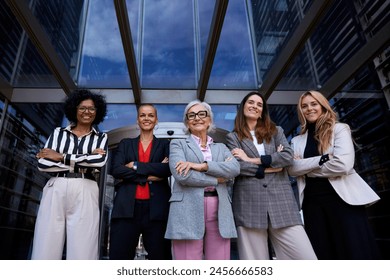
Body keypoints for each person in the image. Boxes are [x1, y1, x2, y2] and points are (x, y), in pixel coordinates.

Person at [287, 90, 381, 259]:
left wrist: (307, 170)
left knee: (354, 251)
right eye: (304, 106)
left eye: (313, 104)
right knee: (323, 253)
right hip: (312, 204)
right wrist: (323, 159)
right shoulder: (296, 141)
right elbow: (293, 169)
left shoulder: (339, 129)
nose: (309, 108)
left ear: (322, 106)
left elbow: (343, 165)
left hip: (342, 200)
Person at [225, 91, 317, 260]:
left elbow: (287, 157)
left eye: (259, 105)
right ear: (243, 106)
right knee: (255, 262)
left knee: (305, 258)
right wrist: (273, 167)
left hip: (281, 200)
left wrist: (250, 159)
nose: (255, 106)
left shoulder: (276, 131)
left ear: (262, 111)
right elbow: (237, 166)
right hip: (248, 202)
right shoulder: (232, 137)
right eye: (251, 102)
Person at [32, 89, 108, 260]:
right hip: (56, 186)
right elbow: (43, 163)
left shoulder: (101, 137)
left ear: (98, 112)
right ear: (74, 109)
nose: (87, 112)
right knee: (46, 242)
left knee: (84, 249)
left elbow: (98, 162)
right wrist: (85, 158)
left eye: (92, 108)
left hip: (86, 187)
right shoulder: (58, 132)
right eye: (82, 108)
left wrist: (60, 156)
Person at [165, 100, 240, 260]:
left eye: (201, 114)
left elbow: (234, 169)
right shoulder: (178, 144)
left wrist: (201, 166)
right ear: (187, 122)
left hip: (220, 207)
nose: (197, 118)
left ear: (209, 119)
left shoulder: (221, 147)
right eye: (191, 115)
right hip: (187, 207)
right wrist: (217, 179)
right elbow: (182, 175)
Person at [109, 104, 172, 260]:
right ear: (137, 120)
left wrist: (134, 166)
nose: (146, 118)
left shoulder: (165, 145)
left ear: (156, 120)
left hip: (157, 211)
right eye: (143, 115)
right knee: (120, 258)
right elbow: (116, 169)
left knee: (161, 258)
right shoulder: (125, 143)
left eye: (150, 115)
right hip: (126, 209)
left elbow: (167, 170)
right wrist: (150, 175)